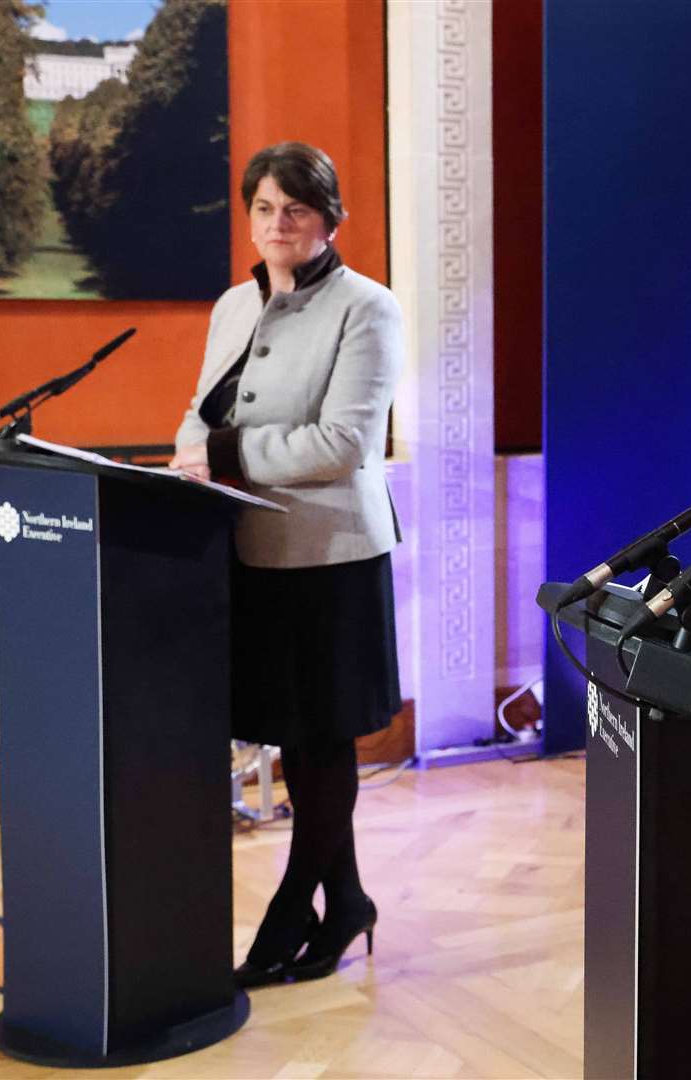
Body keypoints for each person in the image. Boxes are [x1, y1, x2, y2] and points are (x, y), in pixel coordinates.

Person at [171, 142, 403, 989]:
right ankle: (345, 901)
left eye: (296, 209)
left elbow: (345, 442)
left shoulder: (368, 308)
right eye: (264, 208)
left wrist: (223, 451)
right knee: (293, 735)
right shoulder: (233, 305)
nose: (278, 224)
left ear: (330, 218)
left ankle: (293, 900)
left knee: (323, 734)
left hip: (330, 555)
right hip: (249, 548)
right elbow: (198, 418)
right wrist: (191, 454)